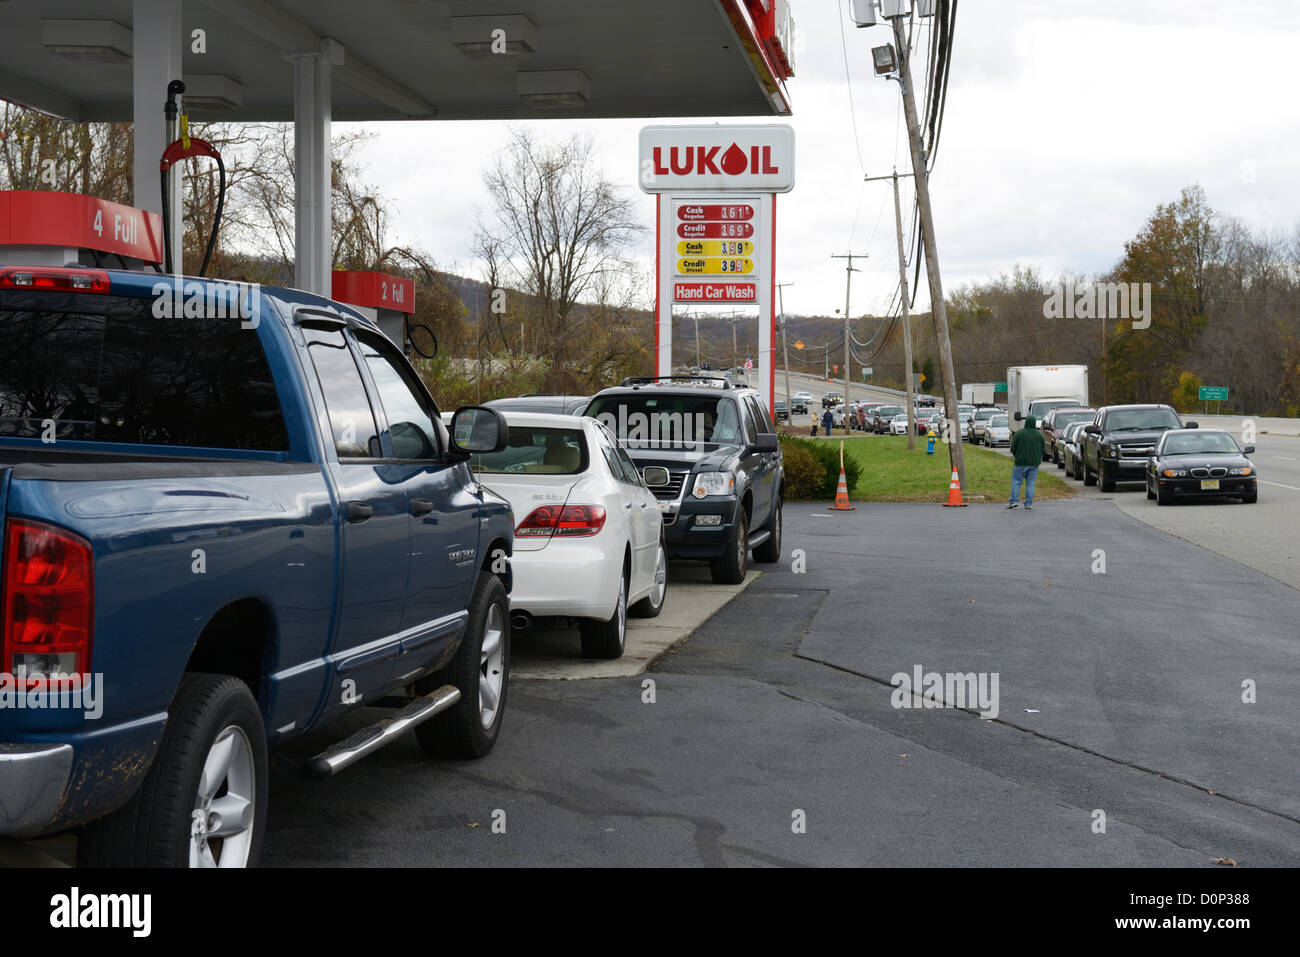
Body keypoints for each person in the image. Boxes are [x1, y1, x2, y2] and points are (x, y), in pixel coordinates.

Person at [1008, 414, 1045, 509]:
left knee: (1016, 481)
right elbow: (1042, 449)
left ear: (1026, 422)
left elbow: (1013, 448)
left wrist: (1016, 455)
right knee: (1030, 483)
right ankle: (1028, 503)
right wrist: (1037, 457)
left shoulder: (1019, 433)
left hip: (1020, 462)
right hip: (1034, 464)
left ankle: (1013, 501)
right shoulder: (1039, 435)